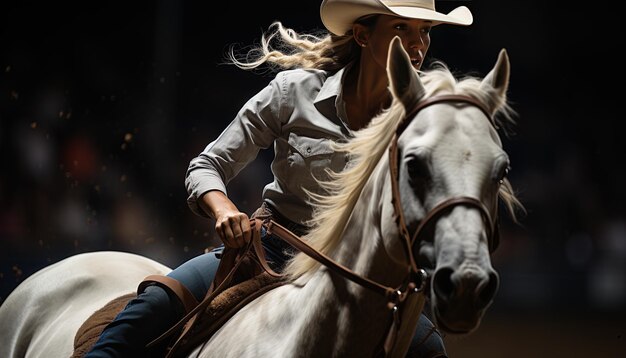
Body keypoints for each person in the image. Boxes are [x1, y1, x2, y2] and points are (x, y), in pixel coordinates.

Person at [86, 0, 473, 356]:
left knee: (430, 350)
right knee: (153, 306)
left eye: (424, 31)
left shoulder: (422, 123)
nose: (417, 43)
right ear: (362, 34)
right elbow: (206, 165)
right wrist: (223, 210)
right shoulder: (295, 91)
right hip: (269, 252)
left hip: (360, 279)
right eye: (402, 28)